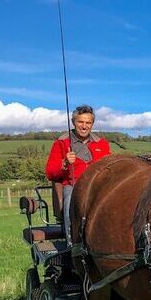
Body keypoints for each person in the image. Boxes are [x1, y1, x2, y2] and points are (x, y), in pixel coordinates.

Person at [45, 104, 112, 242]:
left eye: (88, 122)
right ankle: (73, 243)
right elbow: (50, 173)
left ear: (92, 124)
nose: (84, 126)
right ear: (73, 122)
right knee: (70, 201)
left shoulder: (102, 144)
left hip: (99, 186)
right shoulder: (61, 143)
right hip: (73, 186)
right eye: (80, 122)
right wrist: (64, 163)